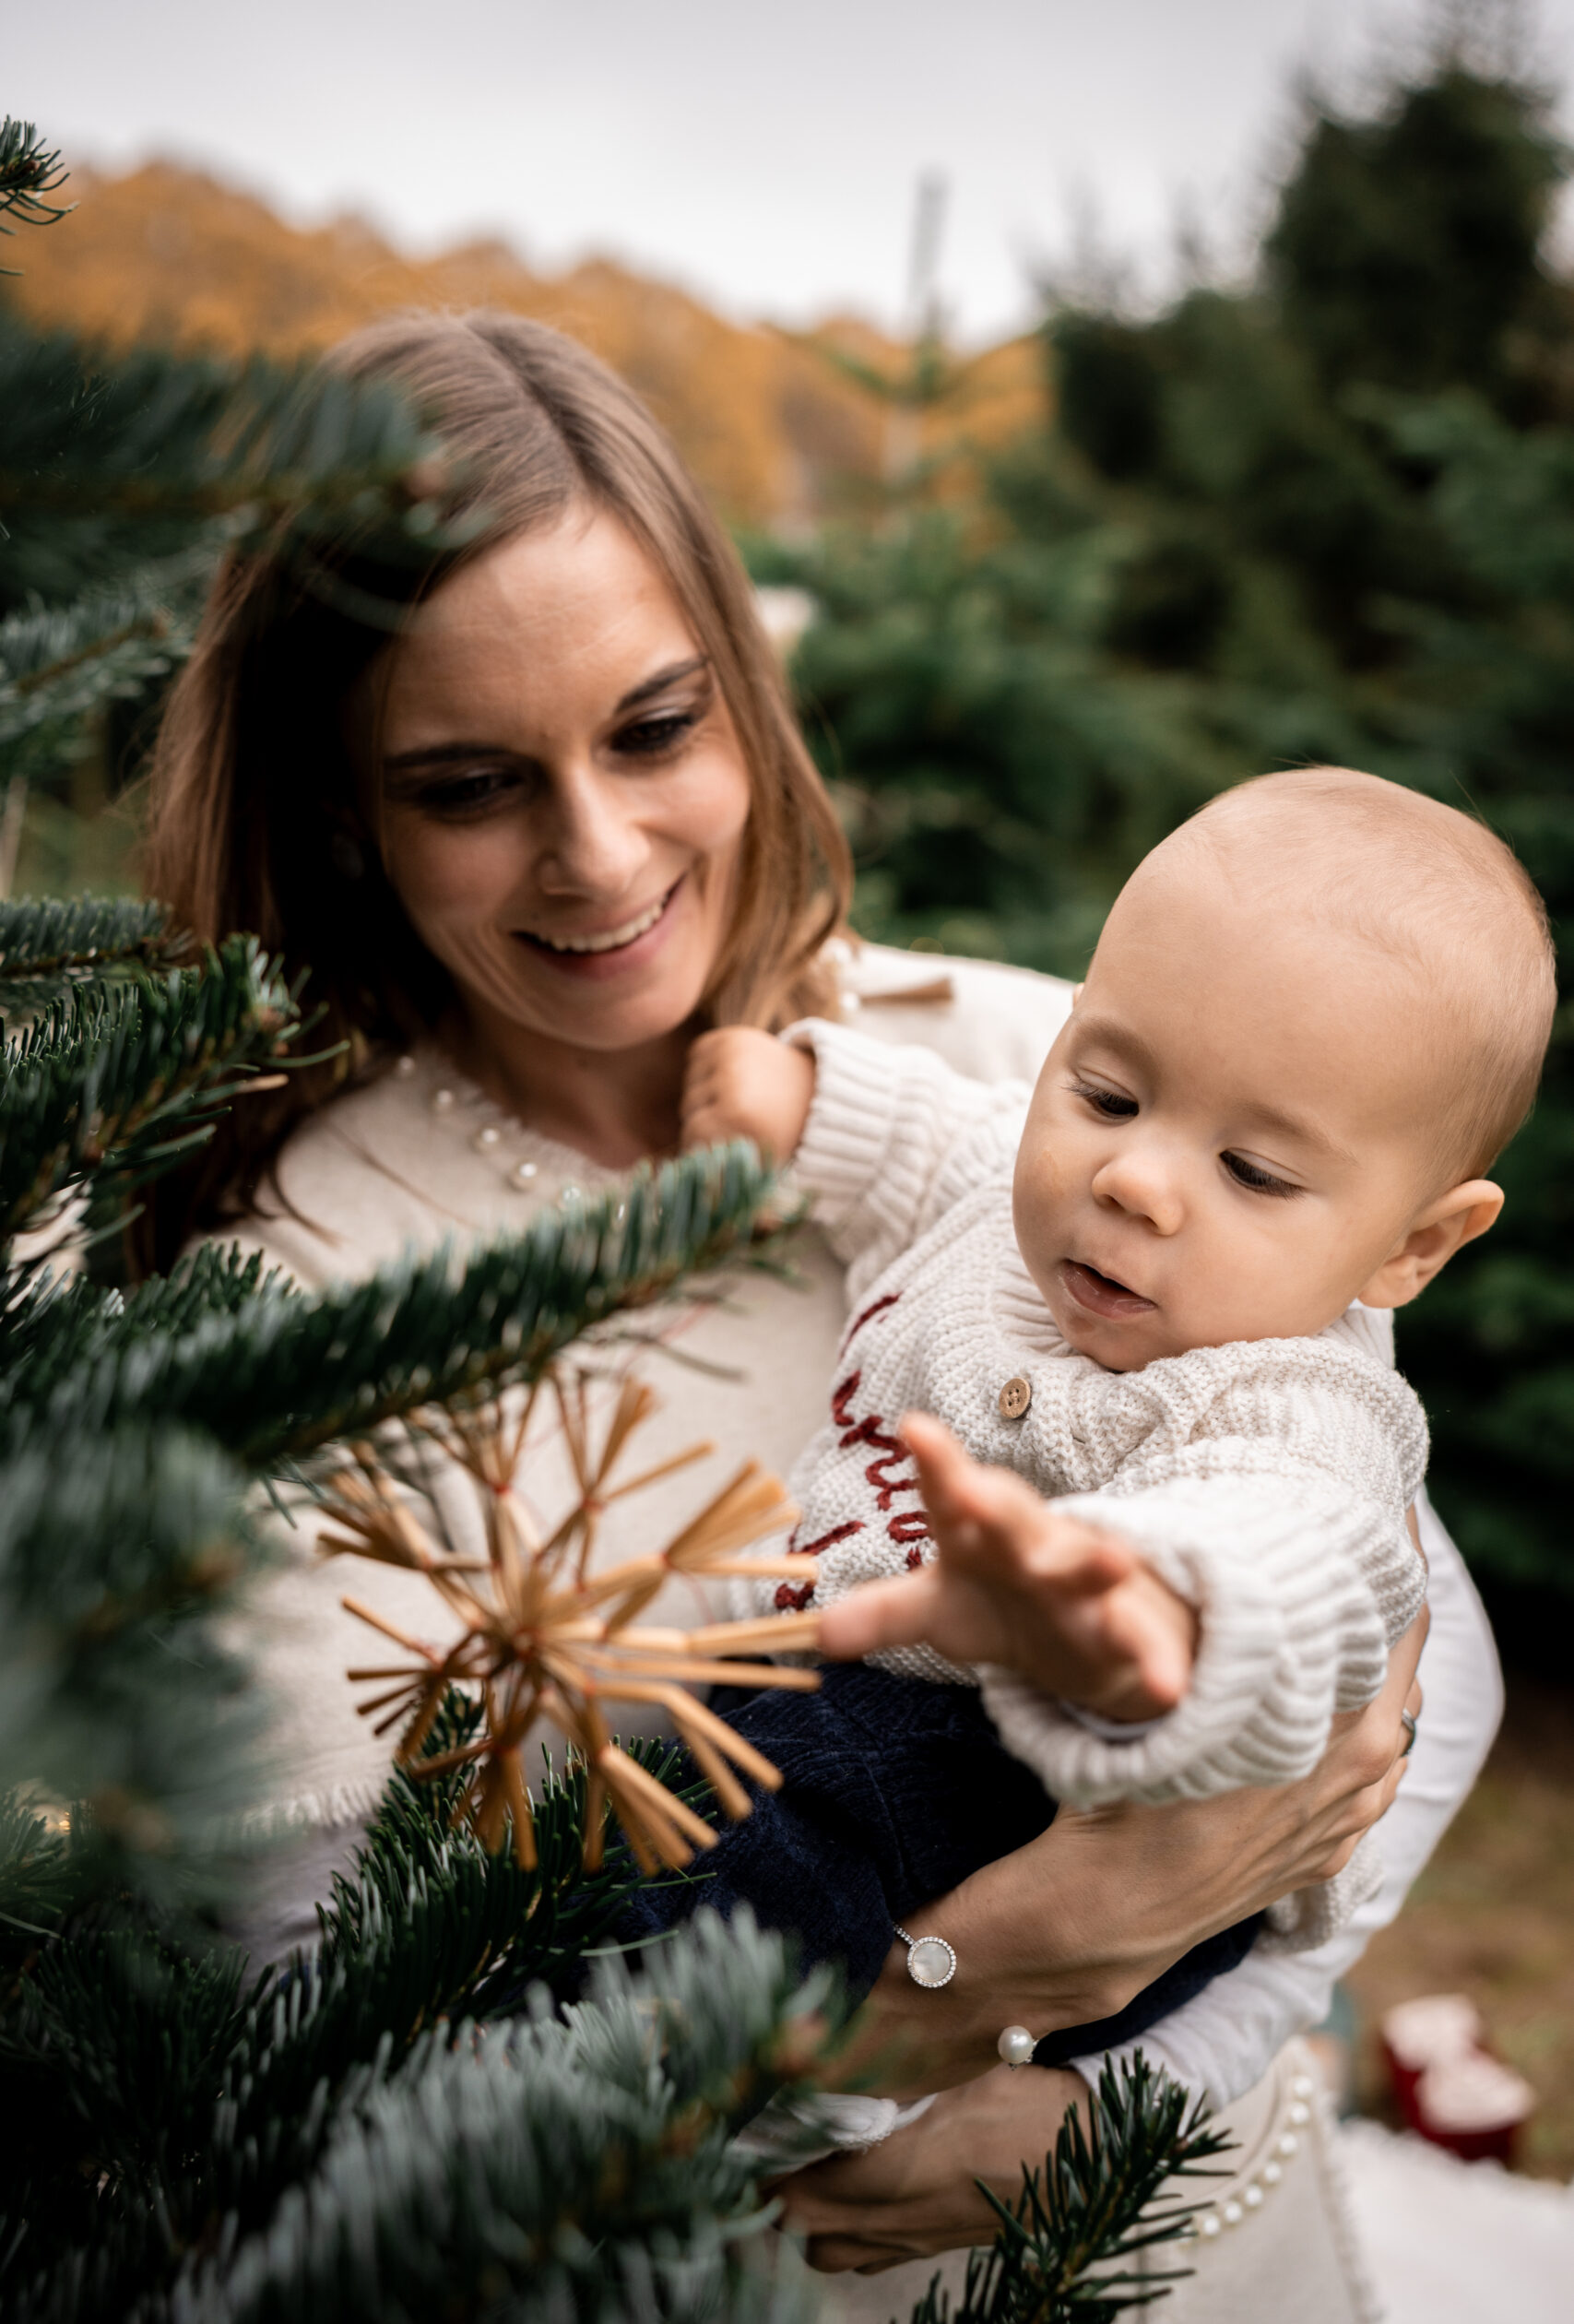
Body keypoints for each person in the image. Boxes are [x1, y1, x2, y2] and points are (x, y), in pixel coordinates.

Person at [141, 311, 1495, 2323]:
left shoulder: (1065, 1069)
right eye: (469, 781)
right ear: (343, 803)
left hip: (1198, 2254)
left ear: (747, 697)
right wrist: (916, 2022)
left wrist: (1149, 2070)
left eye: (654, 726)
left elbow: (1418, 1648)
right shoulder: (274, 1313)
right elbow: (310, 2063)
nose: (598, 855)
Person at [631, 770, 1547, 2139]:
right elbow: (940, 1139)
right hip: (846, 1692)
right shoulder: (1028, 1191)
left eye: (1252, 1172)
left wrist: (1147, 1605)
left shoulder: (1298, 1397)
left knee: (748, 1858)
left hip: (1028, 1781)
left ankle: (616, 2088)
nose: (1133, 1177)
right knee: (689, 1795)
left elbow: (1307, 1545)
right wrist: (809, 1106)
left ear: (1415, 1245)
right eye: (1110, 1091)